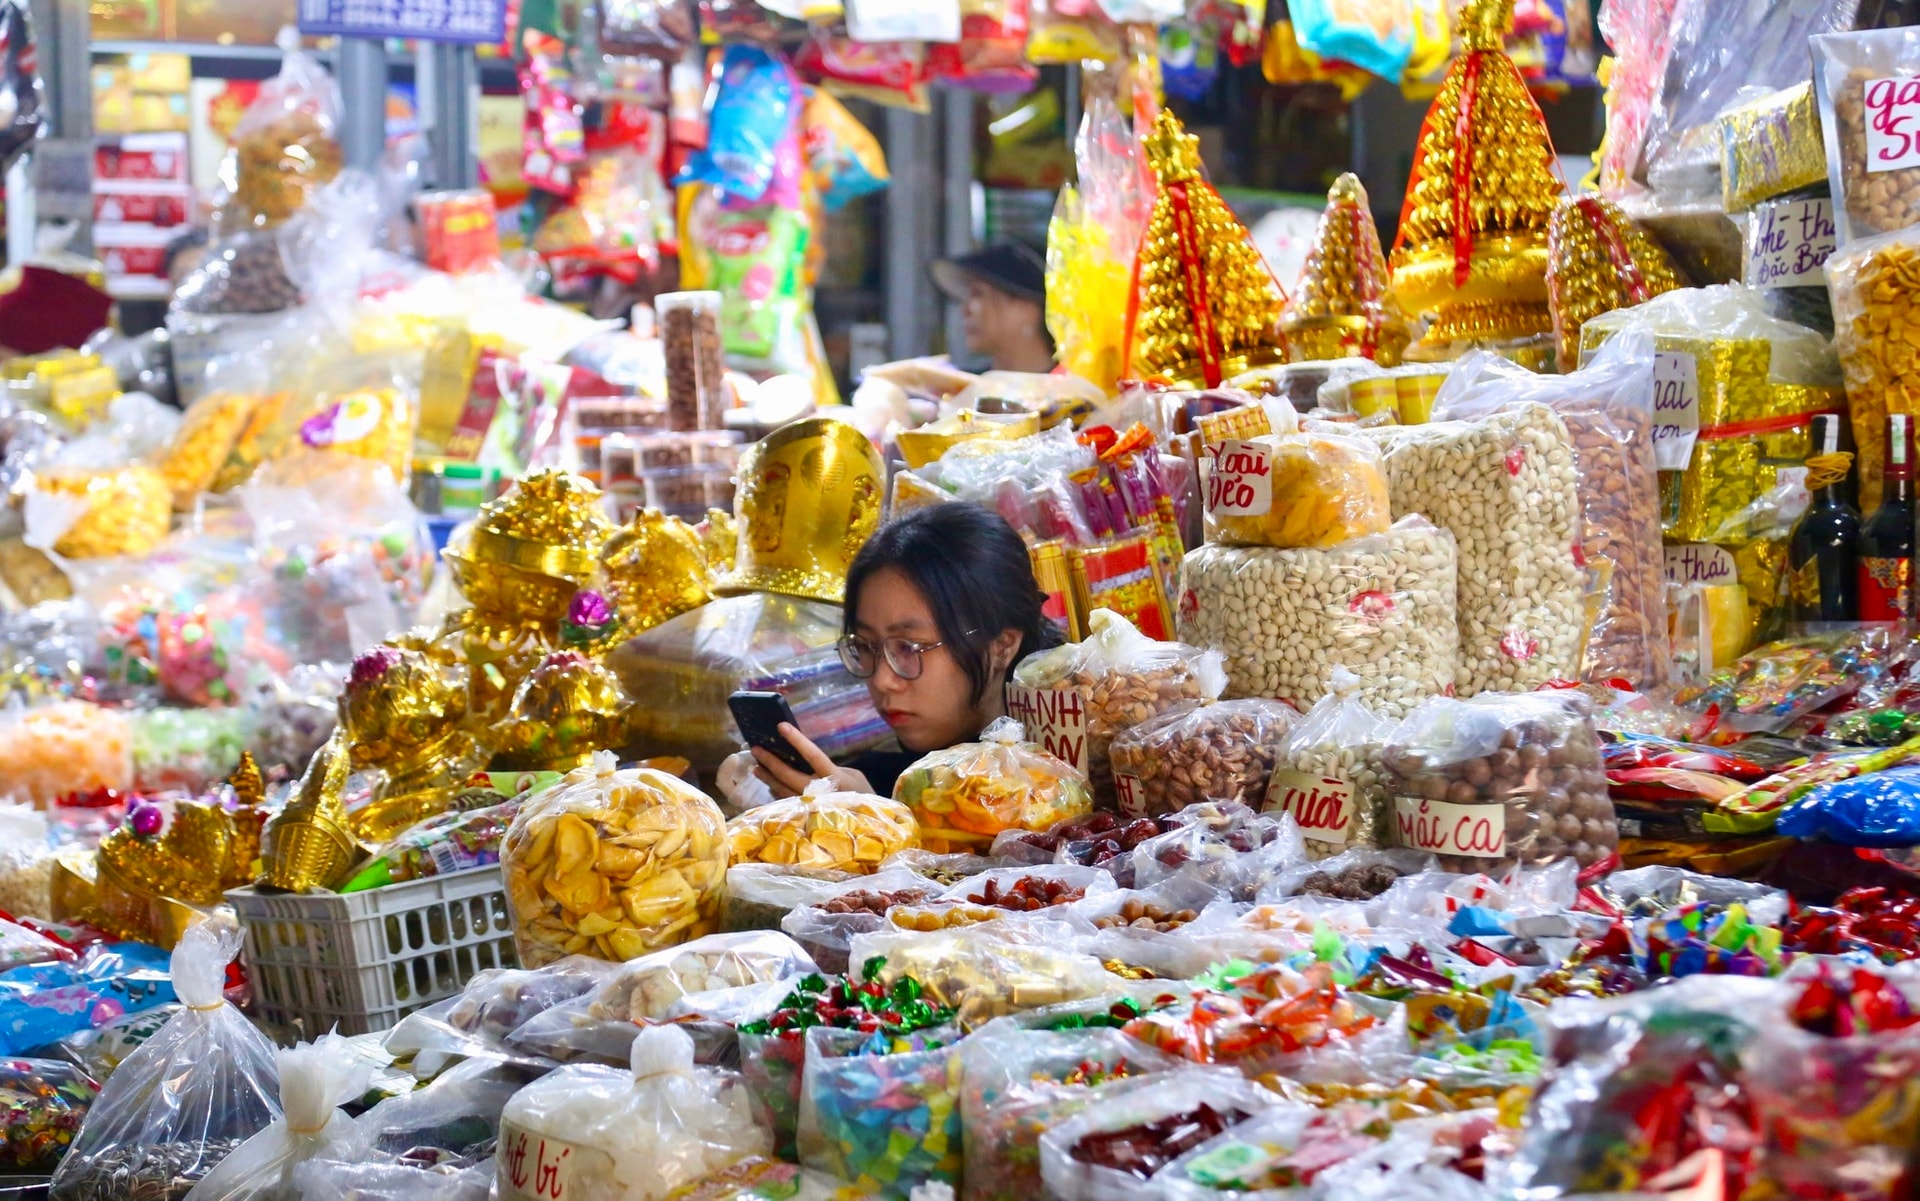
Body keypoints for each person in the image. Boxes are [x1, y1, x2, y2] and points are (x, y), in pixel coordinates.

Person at [751, 503, 1065, 798]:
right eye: (865, 646)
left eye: (909, 647)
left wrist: (881, 822)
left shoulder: (1067, 777)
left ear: (1001, 645)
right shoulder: (875, 777)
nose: (882, 681)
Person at [929, 241, 1056, 374]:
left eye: (978, 293)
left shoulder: (1072, 391)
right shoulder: (958, 389)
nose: (965, 310)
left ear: (1026, 308)